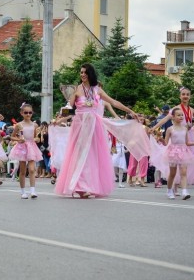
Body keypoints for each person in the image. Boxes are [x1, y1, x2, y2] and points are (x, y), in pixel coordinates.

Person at [55, 64, 145, 198]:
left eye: (85, 72)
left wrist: (131, 111)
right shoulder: (77, 89)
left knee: (92, 156)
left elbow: (114, 102)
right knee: (81, 155)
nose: (82, 75)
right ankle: (80, 186)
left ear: (90, 74)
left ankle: (88, 186)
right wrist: (61, 115)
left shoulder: (97, 90)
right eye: (81, 72)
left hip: (95, 126)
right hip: (80, 125)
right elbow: (70, 108)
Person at [162, 108, 194, 200]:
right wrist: (160, 139)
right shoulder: (170, 129)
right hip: (173, 151)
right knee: (172, 173)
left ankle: (184, 191)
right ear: (173, 117)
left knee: (183, 172)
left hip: (184, 151)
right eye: (178, 115)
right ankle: (169, 190)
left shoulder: (185, 128)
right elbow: (166, 143)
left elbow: (187, 142)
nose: (181, 117)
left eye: (182, 115)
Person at [8, 103, 43, 199]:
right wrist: (19, 140)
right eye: (26, 112)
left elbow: (37, 138)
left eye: (30, 112)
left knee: (32, 169)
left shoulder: (35, 125)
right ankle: (23, 191)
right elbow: (12, 136)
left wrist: (36, 139)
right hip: (22, 147)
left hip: (31, 147)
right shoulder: (19, 125)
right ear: (22, 113)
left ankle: (33, 191)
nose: (28, 114)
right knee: (22, 170)